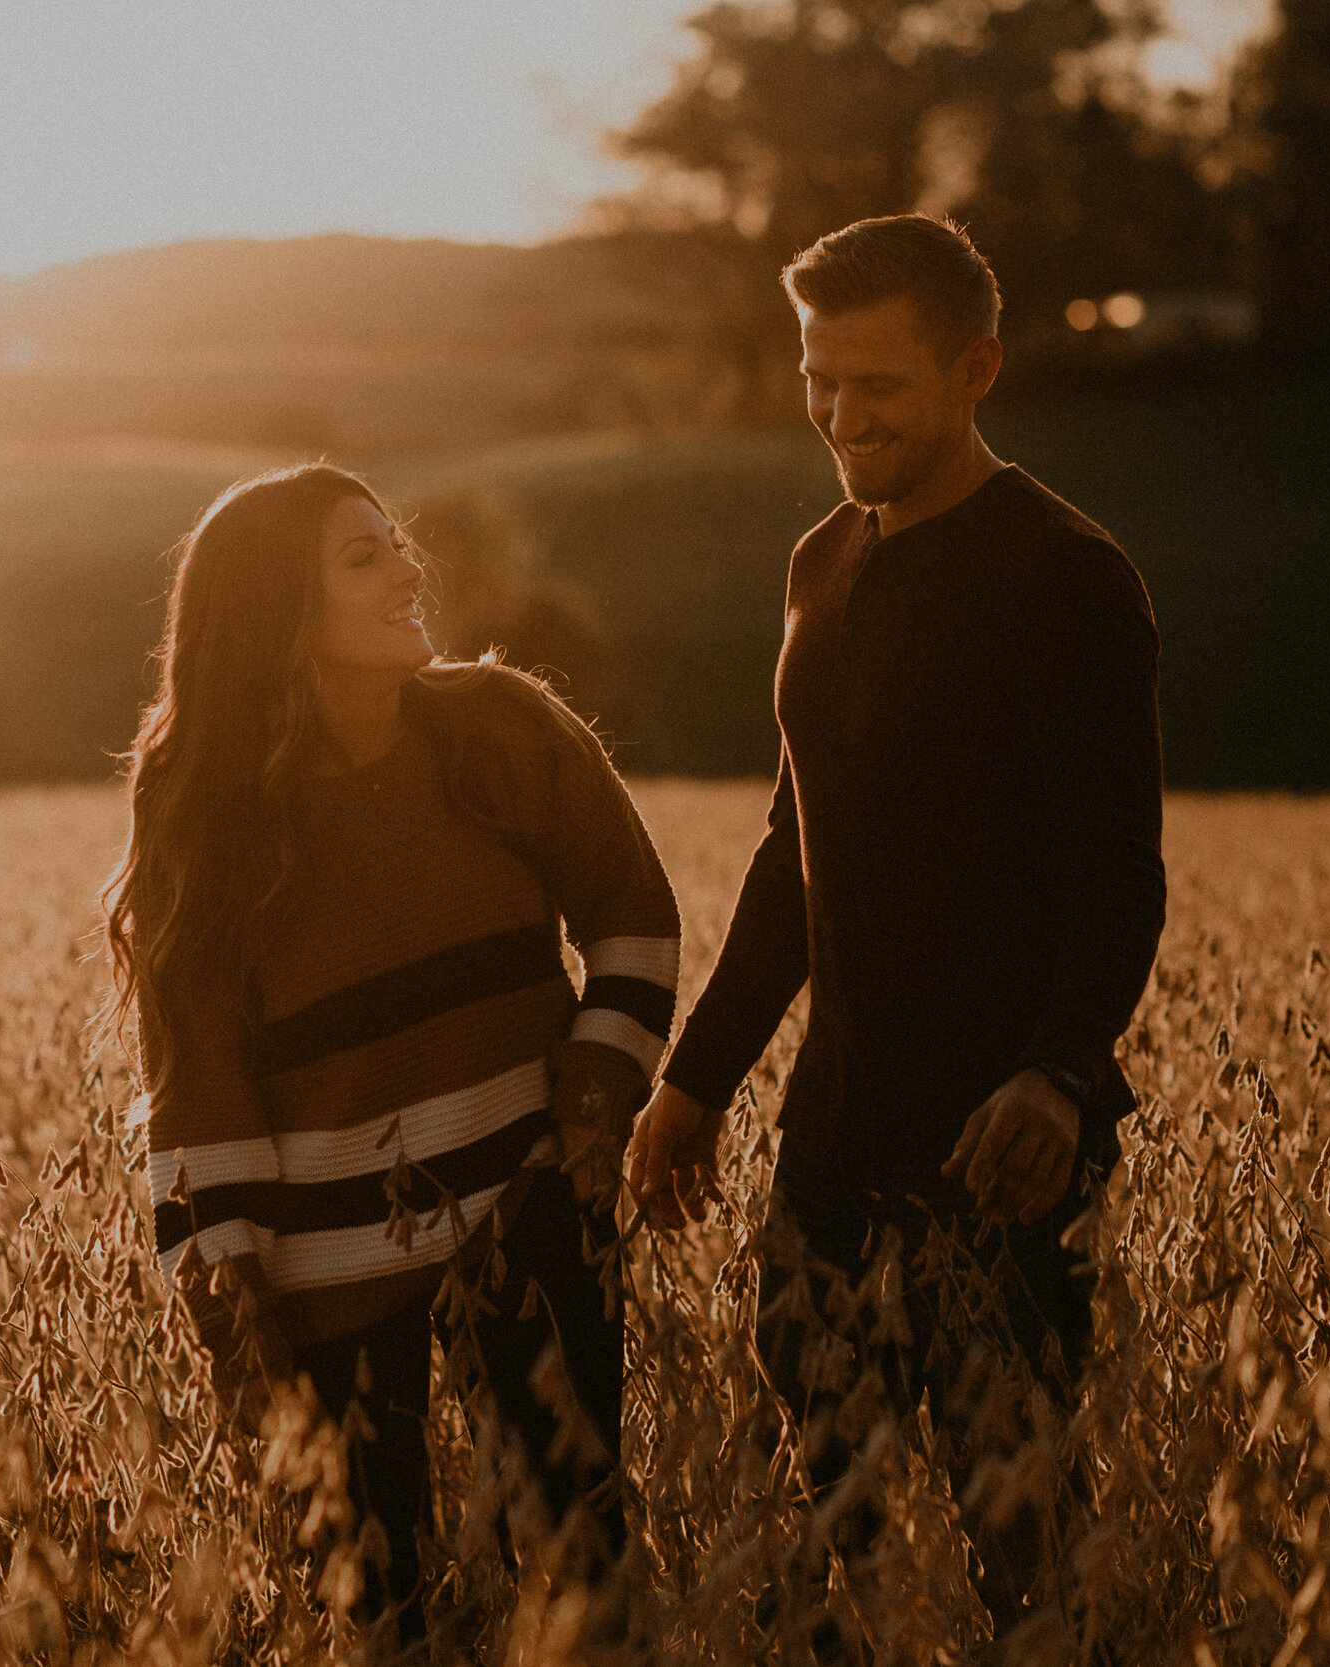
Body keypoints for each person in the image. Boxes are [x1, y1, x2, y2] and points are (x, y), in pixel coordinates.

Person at [624, 215, 1165, 1635]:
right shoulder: (819, 566)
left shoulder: (1065, 576)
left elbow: (1121, 873)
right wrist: (697, 1077)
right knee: (804, 1551)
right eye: (820, 380)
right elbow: (793, 851)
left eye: (881, 386)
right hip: (831, 1142)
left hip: (1004, 1158)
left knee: (1027, 1551)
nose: (842, 418)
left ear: (976, 366)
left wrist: (1058, 1071)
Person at [102, 464, 679, 1656]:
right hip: (325, 1276)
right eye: (362, 557)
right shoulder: (204, 813)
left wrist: (593, 1089)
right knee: (387, 1606)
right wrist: (234, 1306)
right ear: (276, 612)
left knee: (584, 1574)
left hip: (535, 1211)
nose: (410, 569)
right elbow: (200, 1081)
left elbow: (629, 906)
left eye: (395, 543)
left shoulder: (503, 728)